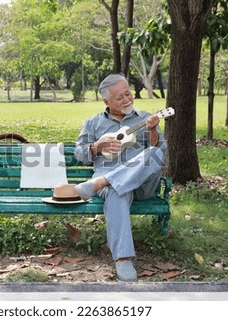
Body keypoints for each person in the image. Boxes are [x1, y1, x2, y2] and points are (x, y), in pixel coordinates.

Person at [73, 74, 166, 281]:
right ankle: (123, 258)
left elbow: (160, 151)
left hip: (142, 185)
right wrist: (97, 146)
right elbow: (79, 152)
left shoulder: (145, 118)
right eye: (119, 97)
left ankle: (100, 183)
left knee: (155, 152)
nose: (126, 100)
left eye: (128, 94)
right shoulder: (94, 123)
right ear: (106, 102)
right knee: (117, 191)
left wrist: (152, 131)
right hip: (112, 184)